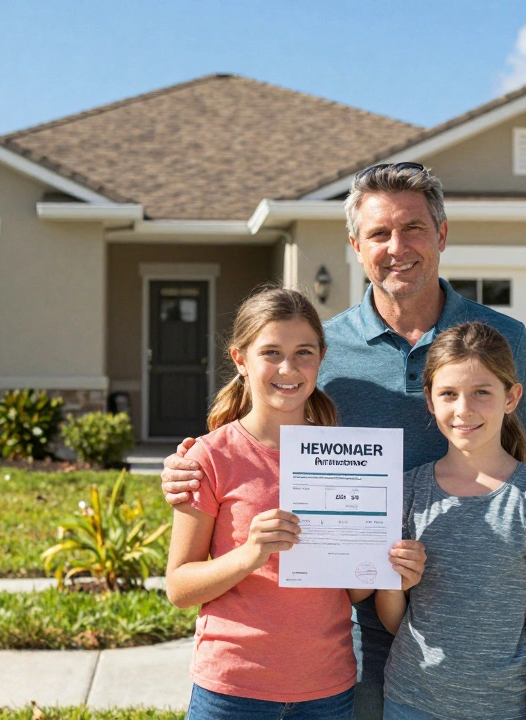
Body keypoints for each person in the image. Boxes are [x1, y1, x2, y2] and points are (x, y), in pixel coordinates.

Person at [162, 163, 526, 719]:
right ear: (355, 246)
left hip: (475, 639)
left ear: (442, 235)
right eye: (379, 233)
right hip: (353, 624)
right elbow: (256, 434)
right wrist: (187, 465)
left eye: (413, 228)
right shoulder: (321, 348)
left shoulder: (502, 340)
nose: (397, 246)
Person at [165, 286, 427, 720]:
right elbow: (179, 587)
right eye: (270, 352)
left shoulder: (349, 459)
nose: (288, 368)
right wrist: (250, 554)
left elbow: (351, 590)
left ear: (321, 359)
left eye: (303, 352)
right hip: (232, 691)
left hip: (328, 691)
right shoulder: (209, 457)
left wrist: (387, 565)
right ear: (240, 360)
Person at [376, 321, 526, 720]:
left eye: (482, 392)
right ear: (430, 401)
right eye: (449, 394)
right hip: (410, 702)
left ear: (512, 397)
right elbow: (395, 621)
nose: (464, 410)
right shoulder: (407, 491)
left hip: (501, 707)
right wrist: (394, 586)